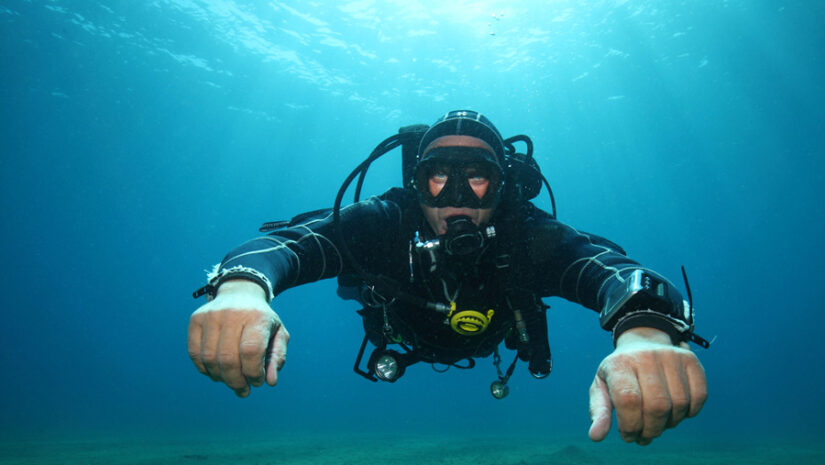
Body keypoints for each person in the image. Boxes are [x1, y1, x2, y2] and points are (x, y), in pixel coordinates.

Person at [188, 110, 709, 446]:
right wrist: (241, 288)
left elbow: (614, 270)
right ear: (416, 184)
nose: (457, 195)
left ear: (503, 188)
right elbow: (288, 243)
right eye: (438, 176)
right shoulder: (385, 222)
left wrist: (644, 329)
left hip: (489, 337)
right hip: (402, 333)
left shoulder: (528, 235)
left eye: (477, 177)